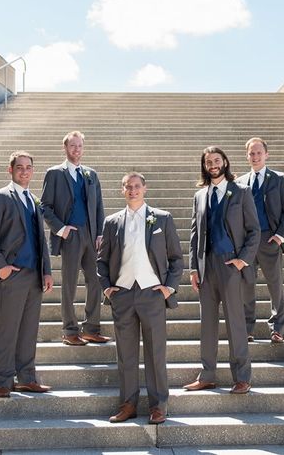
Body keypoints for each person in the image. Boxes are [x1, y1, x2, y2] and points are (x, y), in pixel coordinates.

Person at [97, 172, 183, 425]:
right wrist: (106, 287)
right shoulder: (112, 222)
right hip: (122, 294)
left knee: (156, 352)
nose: (133, 190)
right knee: (126, 354)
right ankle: (128, 404)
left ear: (144, 189)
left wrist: (169, 288)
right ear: (122, 190)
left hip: (152, 293)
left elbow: (176, 259)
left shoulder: (162, 219)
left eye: (137, 186)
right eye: (128, 187)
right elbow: (101, 261)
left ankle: (158, 405)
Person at [183, 146, 260, 394]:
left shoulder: (241, 192)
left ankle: (242, 377)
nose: (213, 165)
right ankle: (207, 374)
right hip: (207, 266)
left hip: (231, 264)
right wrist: (194, 267)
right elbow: (195, 234)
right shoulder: (200, 195)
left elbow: (254, 231)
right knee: (207, 324)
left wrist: (242, 260)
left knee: (236, 323)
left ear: (225, 162)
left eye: (217, 160)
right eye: (208, 162)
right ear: (204, 166)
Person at [0, 151, 54, 398]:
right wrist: (0, 267)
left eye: (28, 167)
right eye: (19, 167)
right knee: (8, 329)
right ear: (9, 170)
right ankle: (2, 380)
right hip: (10, 275)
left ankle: (26, 378)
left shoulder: (33, 200)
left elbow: (40, 238)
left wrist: (46, 270)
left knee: (29, 330)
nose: (24, 171)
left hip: (34, 276)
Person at [41, 131, 109, 346]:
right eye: (72, 146)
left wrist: (100, 233)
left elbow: (98, 206)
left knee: (96, 281)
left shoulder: (91, 174)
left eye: (79, 146)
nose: (76, 150)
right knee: (69, 284)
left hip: (91, 235)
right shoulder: (54, 173)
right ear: (65, 148)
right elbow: (44, 206)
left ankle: (91, 329)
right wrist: (61, 229)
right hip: (70, 236)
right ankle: (70, 331)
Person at [235, 138, 284, 343]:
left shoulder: (279, 179)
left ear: (266, 154)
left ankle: (277, 327)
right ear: (247, 156)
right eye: (251, 153)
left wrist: (279, 236)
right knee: (246, 285)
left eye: (259, 153)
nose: (255, 157)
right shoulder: (239, 182)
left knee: (275, 284)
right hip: (247, 242)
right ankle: (247, 328)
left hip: (270, 239)